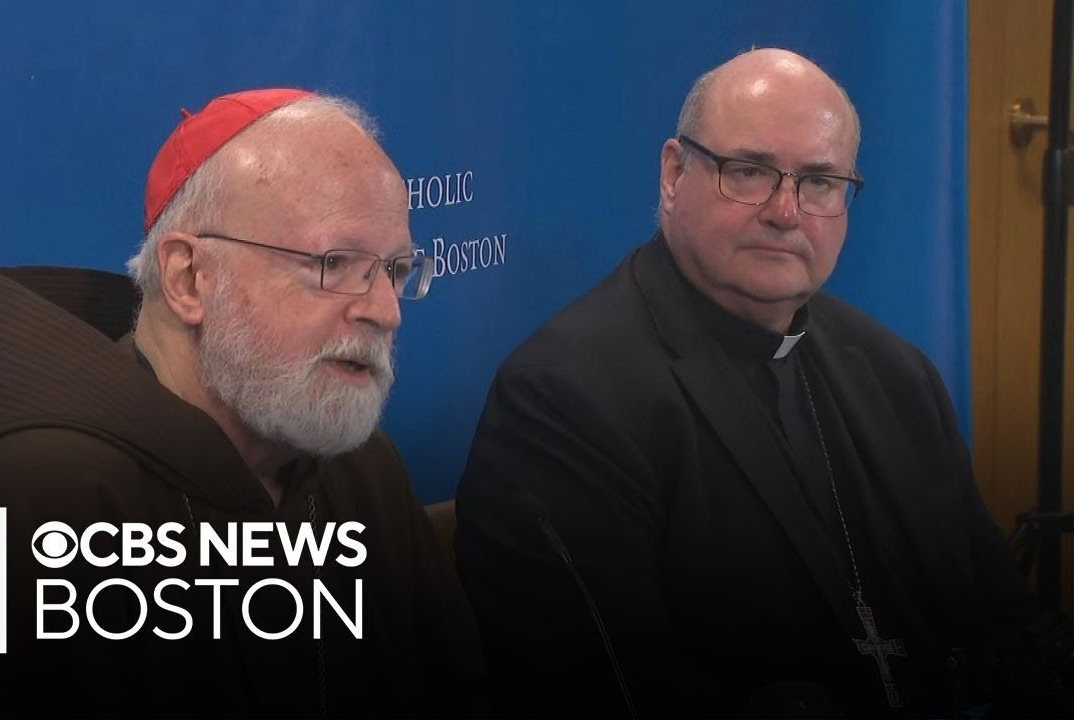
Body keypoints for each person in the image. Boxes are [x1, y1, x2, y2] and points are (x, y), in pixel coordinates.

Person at [456, 49, 1070, 718]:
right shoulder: (562, 401)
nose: (786, 211)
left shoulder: (898, 374)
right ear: (673, 172)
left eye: (820, 182)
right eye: (748, 172)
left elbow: (1004, 619)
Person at [0, 88, 483, 717]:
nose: (385, 311)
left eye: (395, 270)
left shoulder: (364, 465)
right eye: (334, 263)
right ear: (188, 278)